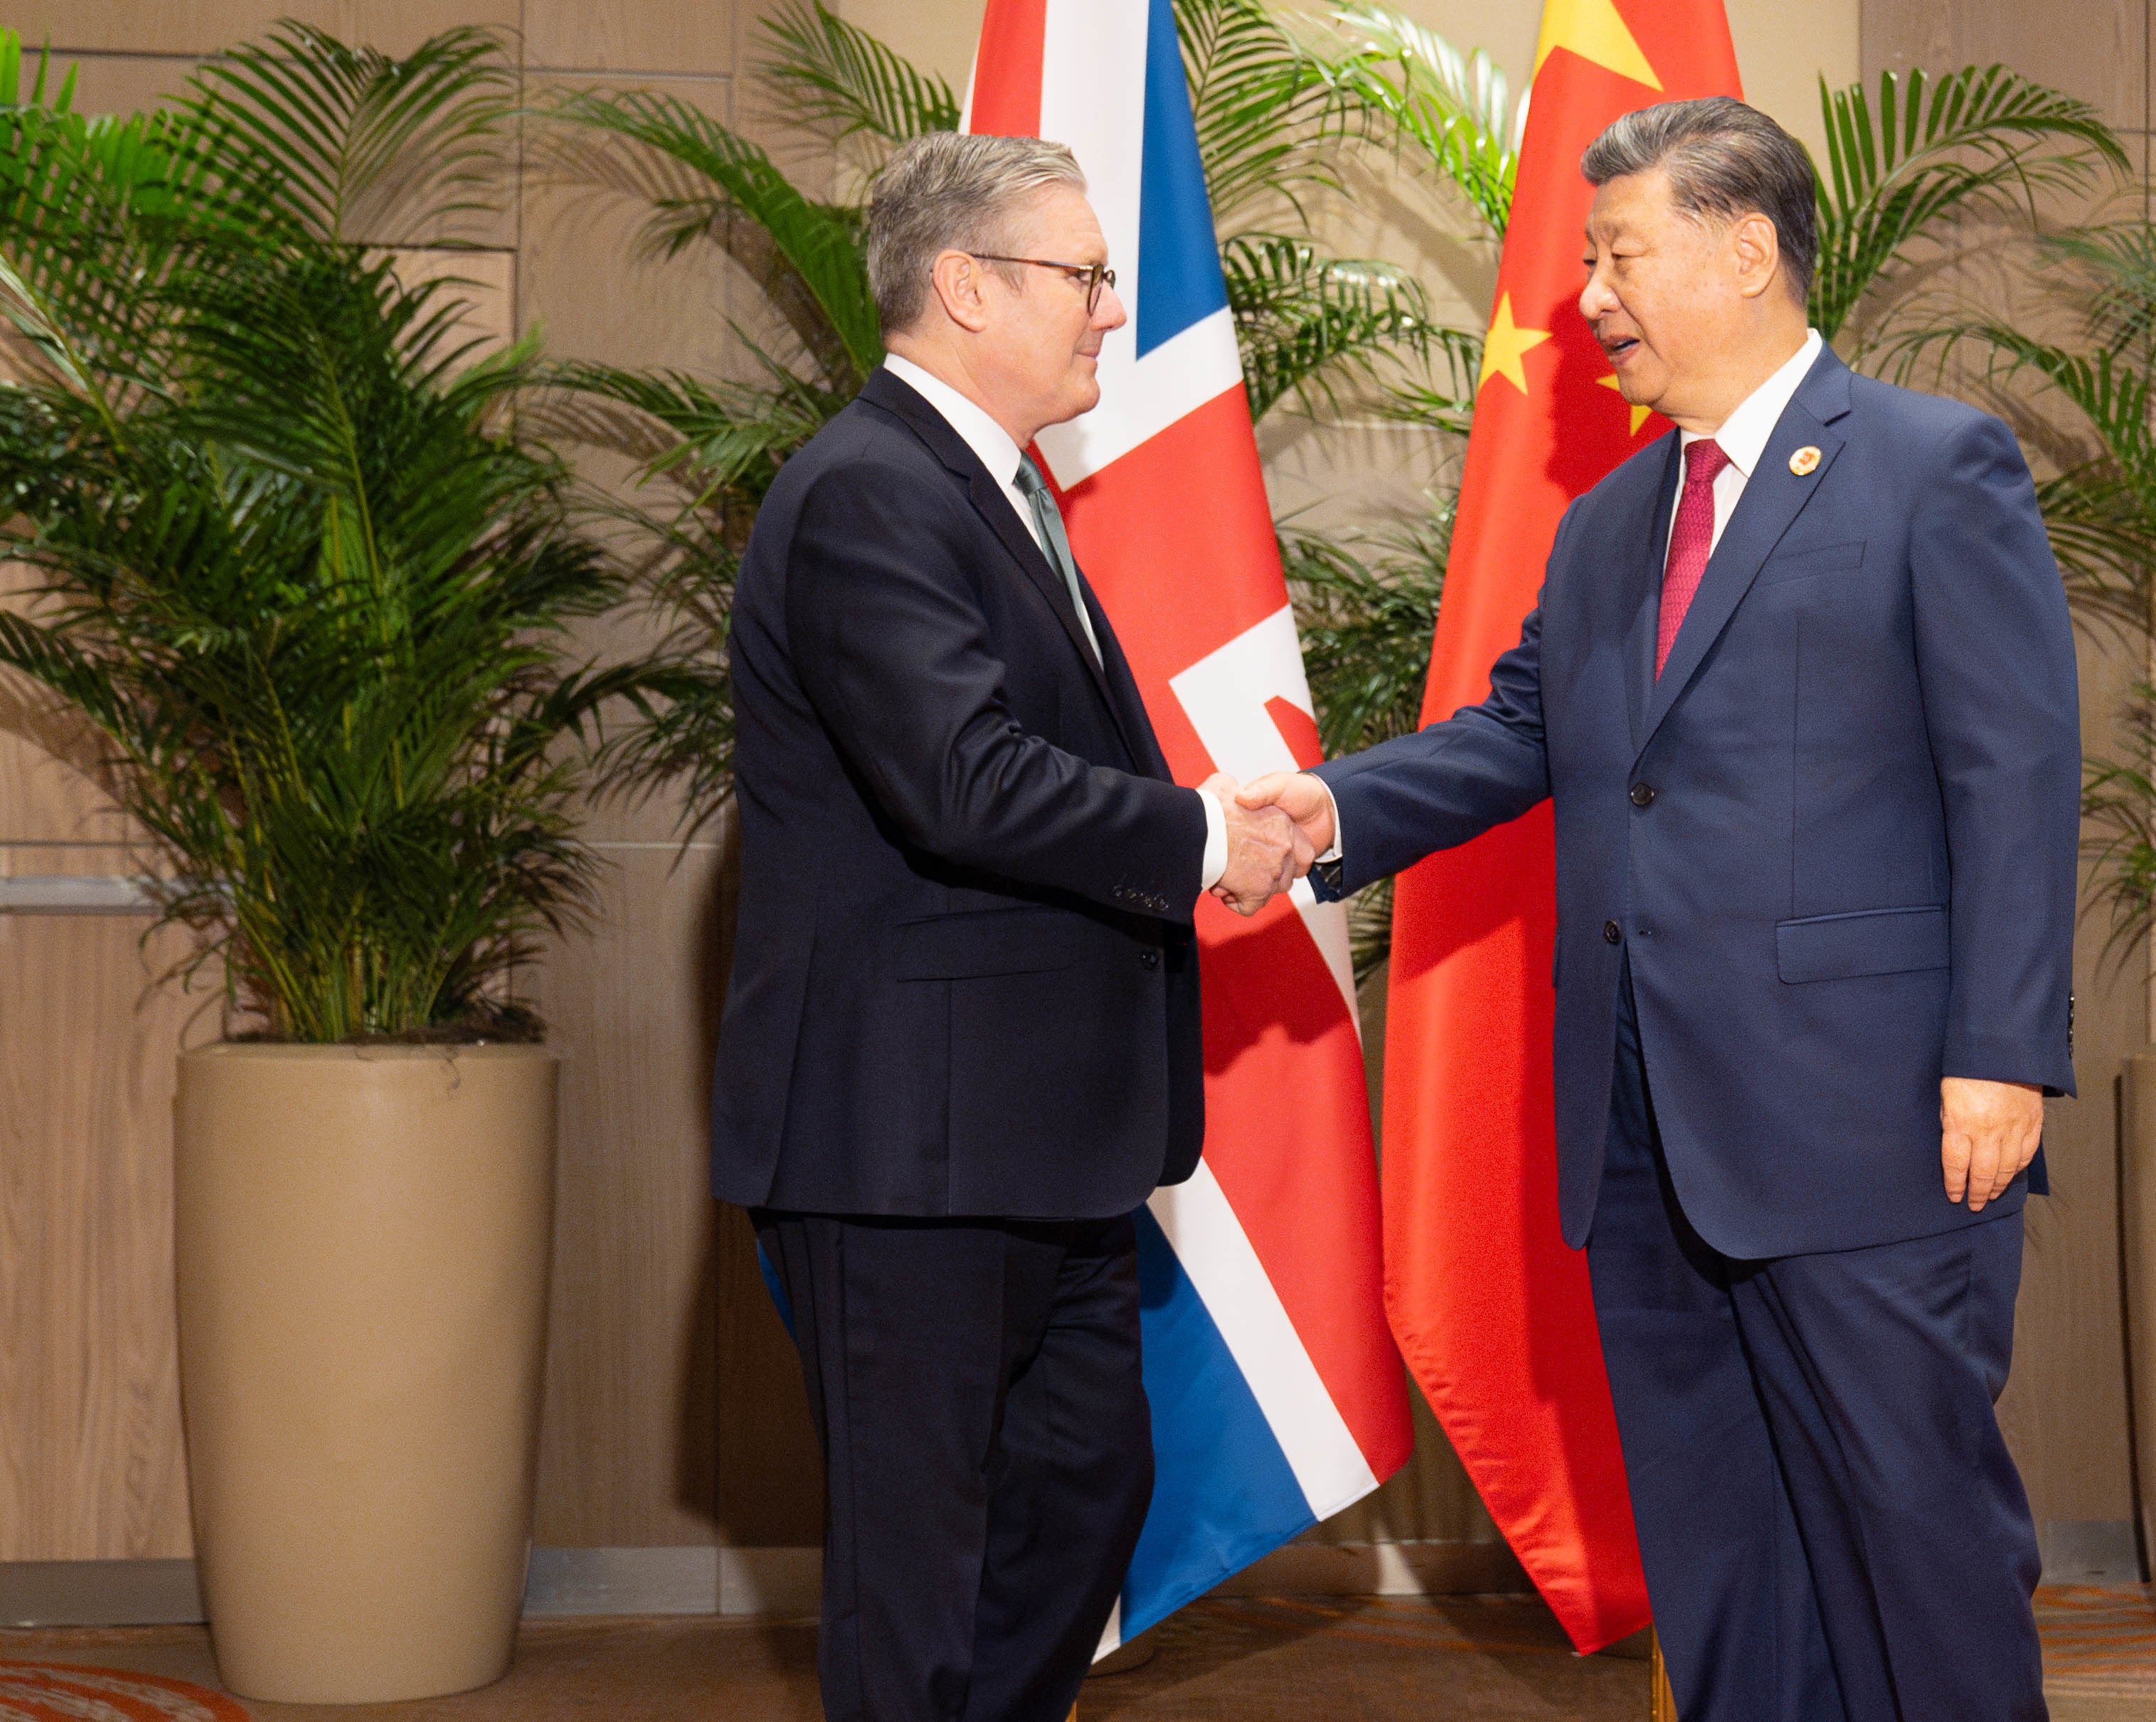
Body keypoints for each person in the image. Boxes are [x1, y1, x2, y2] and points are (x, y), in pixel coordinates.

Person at [1239, 97, 2079, 1722]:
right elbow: (1524, 737)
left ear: (1745, 248)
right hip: (1643, 1133)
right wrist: (1332, 808)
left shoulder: (1929, 465)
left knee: (1917, 1545)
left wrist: (1999, 1051)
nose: (1591, 297)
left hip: (1874, 1126)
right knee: (1722, 1558)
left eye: (1618, 253)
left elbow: (2015, 777)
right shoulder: (1611, 518)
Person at [707, 132, 1311, 1722]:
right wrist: (1201, 831)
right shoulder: (867, 492)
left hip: (1037, 1138)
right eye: (1085, 276)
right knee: (919, 1575)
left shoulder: (987, 487)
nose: (1112, 310)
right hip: (911, 1147)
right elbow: (963, 781)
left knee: (1081, 1499)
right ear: (966, 288)